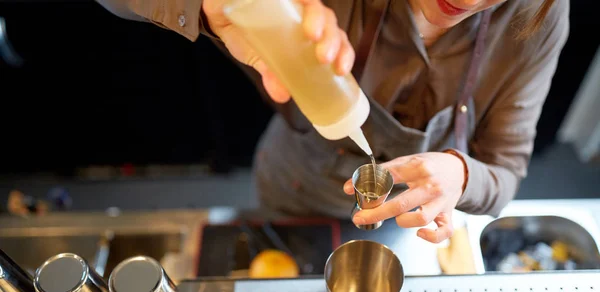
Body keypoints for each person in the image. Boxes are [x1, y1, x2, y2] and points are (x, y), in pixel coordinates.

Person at [96, 0, 569, 243]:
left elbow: (505, 172)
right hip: (295, 185)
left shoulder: (540, 17)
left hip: (403, 224)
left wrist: (462, 174)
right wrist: (217, 6)